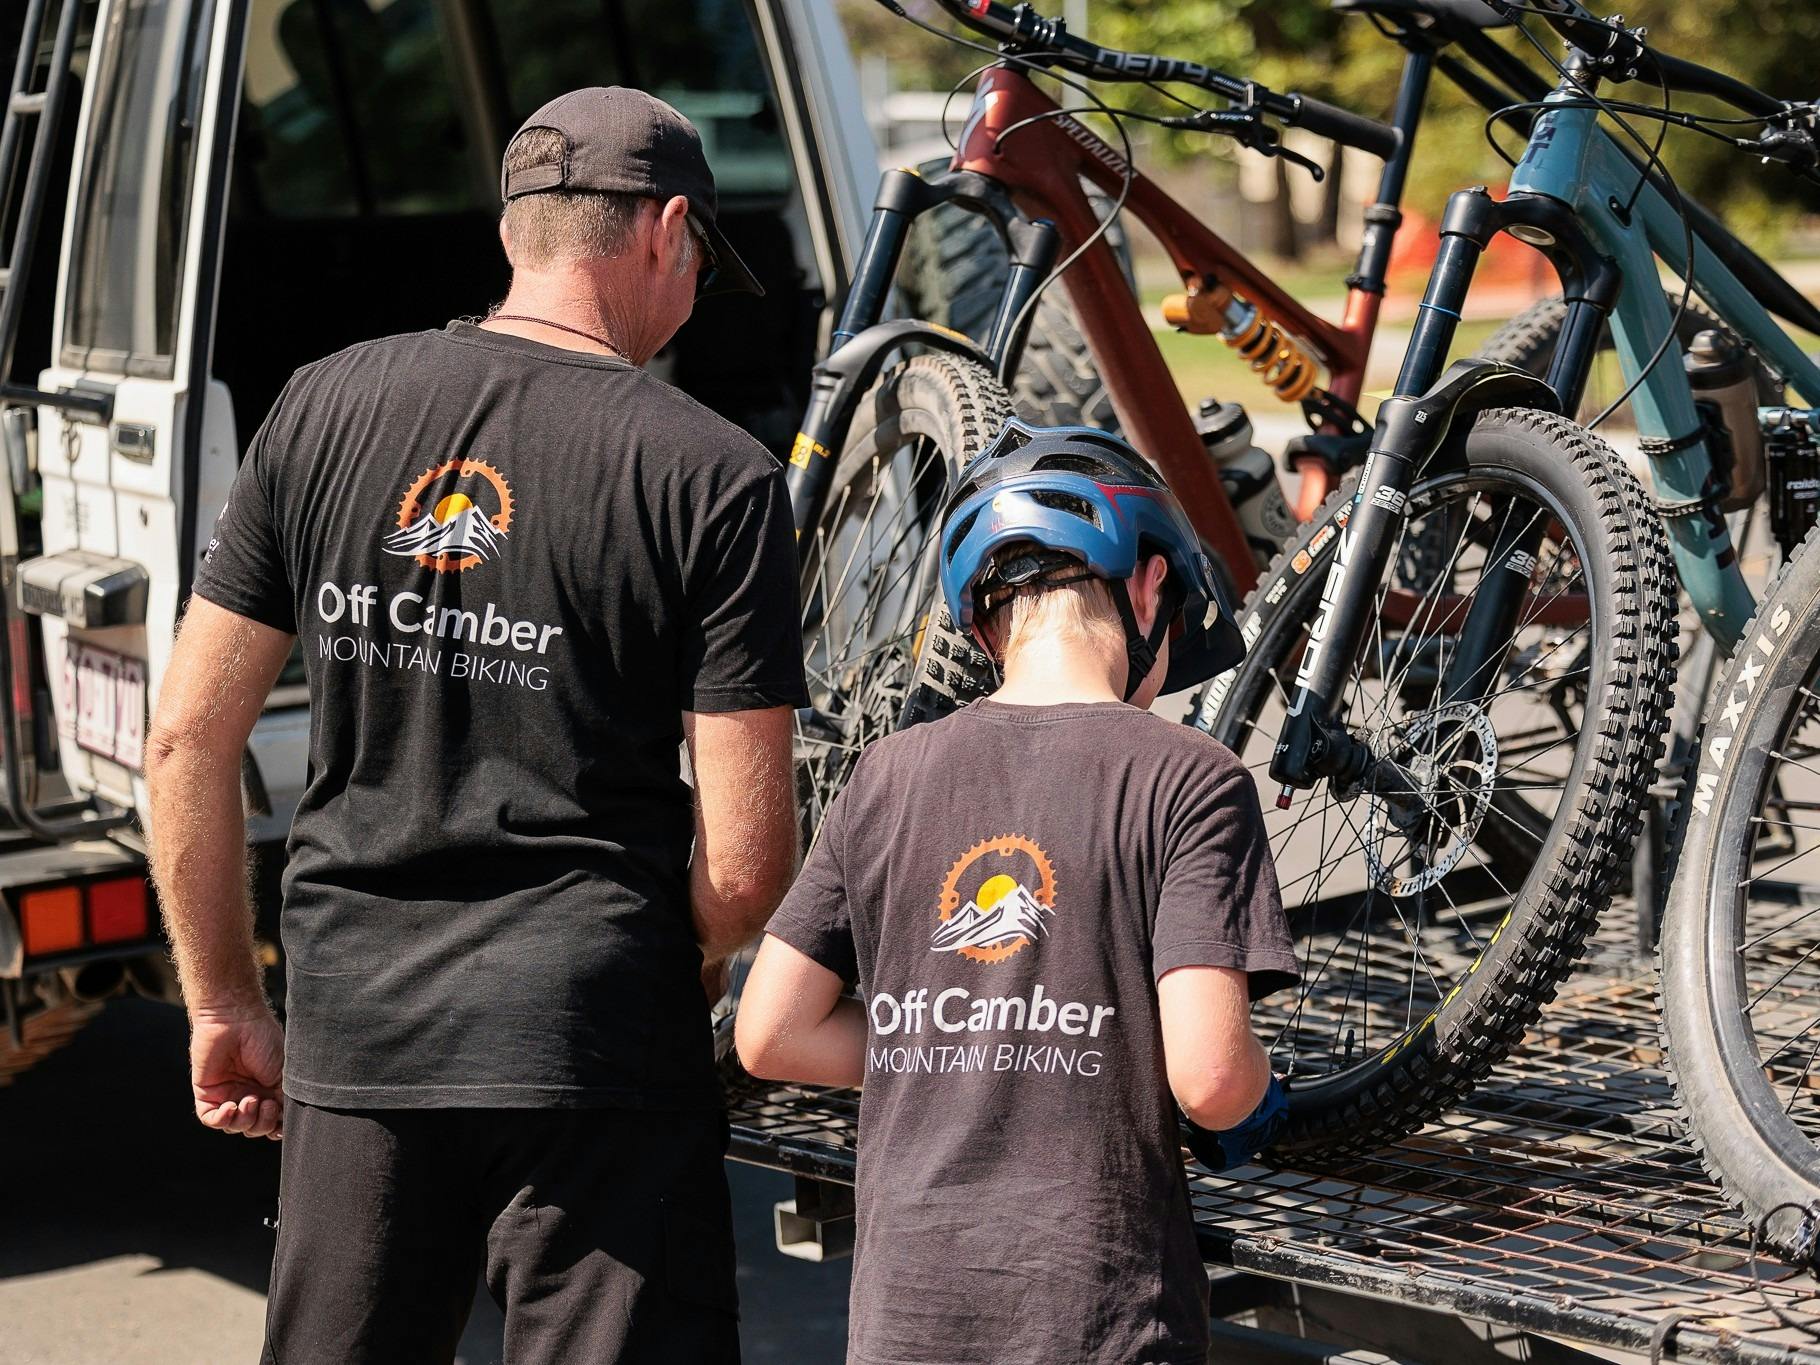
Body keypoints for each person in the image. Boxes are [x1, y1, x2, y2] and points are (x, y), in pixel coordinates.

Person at [146, 87, 803, 1364]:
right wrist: (689, 959)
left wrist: (223, 999)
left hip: (359, 1029)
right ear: (667, 231)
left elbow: (185, 740)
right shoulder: (715, 475)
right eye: (699, 265)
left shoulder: (322, 404)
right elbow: (741, 868)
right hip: (592, 1048)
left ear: (519, 232)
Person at [736, 420, 1297, 1365]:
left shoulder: (885, 773)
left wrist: (961, 1047)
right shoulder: (1189, 778)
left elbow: (768, 1033)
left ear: (987, 623)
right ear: (1150, 582)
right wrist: (1264, 1102)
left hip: (904, 1315)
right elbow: (1209, 1078)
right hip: (1092, 1318)